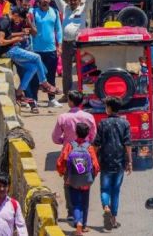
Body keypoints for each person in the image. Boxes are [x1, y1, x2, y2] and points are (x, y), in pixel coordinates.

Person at [0, 7, 57, 113]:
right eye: (19, 19)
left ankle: (19, 92)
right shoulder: (5, 21)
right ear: (15, 14)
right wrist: (17, 39)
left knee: (33, 68)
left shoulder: (8, 21)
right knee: (37, 57)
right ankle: (44, 83)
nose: (19, 21)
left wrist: (20, 34)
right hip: (10, 50)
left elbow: (9, 35)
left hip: (12, 49)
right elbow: (0, 42)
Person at [52, 91, 97, 224]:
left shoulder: (63, 118)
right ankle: (83, 217)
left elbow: (55, 137)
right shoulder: (89, 117)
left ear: (70, 102)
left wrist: (64, 141)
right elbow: (93, 136)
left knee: (68, 184)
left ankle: (71, 212)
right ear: (82, 102)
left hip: (69, 154)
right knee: (85, 186)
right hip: (86, 154)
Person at [93, 96, 132, 231]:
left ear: (109, 108)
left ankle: (106, 207)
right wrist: (130, 162)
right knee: (115, 191)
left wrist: (93, 158)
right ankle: (114, 220)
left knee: (105, 189)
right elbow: (127, 144)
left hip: (105, 161)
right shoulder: (125, 123)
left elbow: (97, 144)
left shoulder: (102, 123)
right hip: (120, 162)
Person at [57, 122, 99, 235]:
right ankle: (84, 226)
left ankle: (78, 223)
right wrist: (91, 177)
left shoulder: (70, 146)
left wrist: (62, 173)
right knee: (85, 203)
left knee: (76, 203)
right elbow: (96, 166)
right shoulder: (89, 147)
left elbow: (61, 161)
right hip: (86, 181)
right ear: (87, 134)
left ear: (76, 133)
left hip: (72, 181)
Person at [55, 0, 93, 94]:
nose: (72, 2)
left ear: (79, 1)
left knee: (83, 69)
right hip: (66, 44)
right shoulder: (64, 8)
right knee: (66, 71)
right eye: (71, 0)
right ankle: (67, 94)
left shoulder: (84, 9)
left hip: (79, 44)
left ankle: (84, 93)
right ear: (68, 1)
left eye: (75, 0)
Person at [30, 0, 64, 108]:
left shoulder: (54, 12)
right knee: (34, 76)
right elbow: (30, 31)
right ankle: (33, 100)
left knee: (51, 76)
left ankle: (52, 99)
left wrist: (59, 46)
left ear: (50, 0)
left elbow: (59, 30)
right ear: (39, 0)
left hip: (51, 50)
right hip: (36, 51)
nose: (45, 1)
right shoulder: (33, 12)